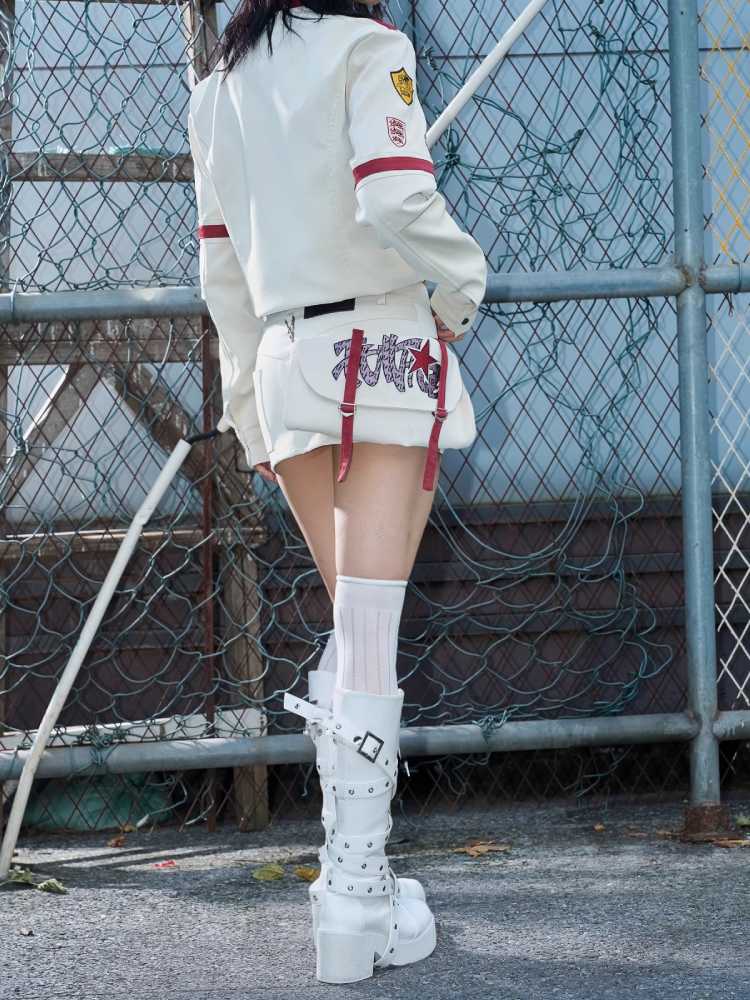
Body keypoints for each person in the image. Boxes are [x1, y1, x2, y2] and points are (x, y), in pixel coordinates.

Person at [187, 0, 487, 983]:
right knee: (364, 632)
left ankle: (355, 888)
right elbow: (395, 197)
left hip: (286, 366)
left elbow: (222, 271)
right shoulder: (371, 48)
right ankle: (355, 894)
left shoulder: (217, 90)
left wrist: (248, 412)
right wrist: (462, 285)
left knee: (355, 631)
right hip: (380, 352)